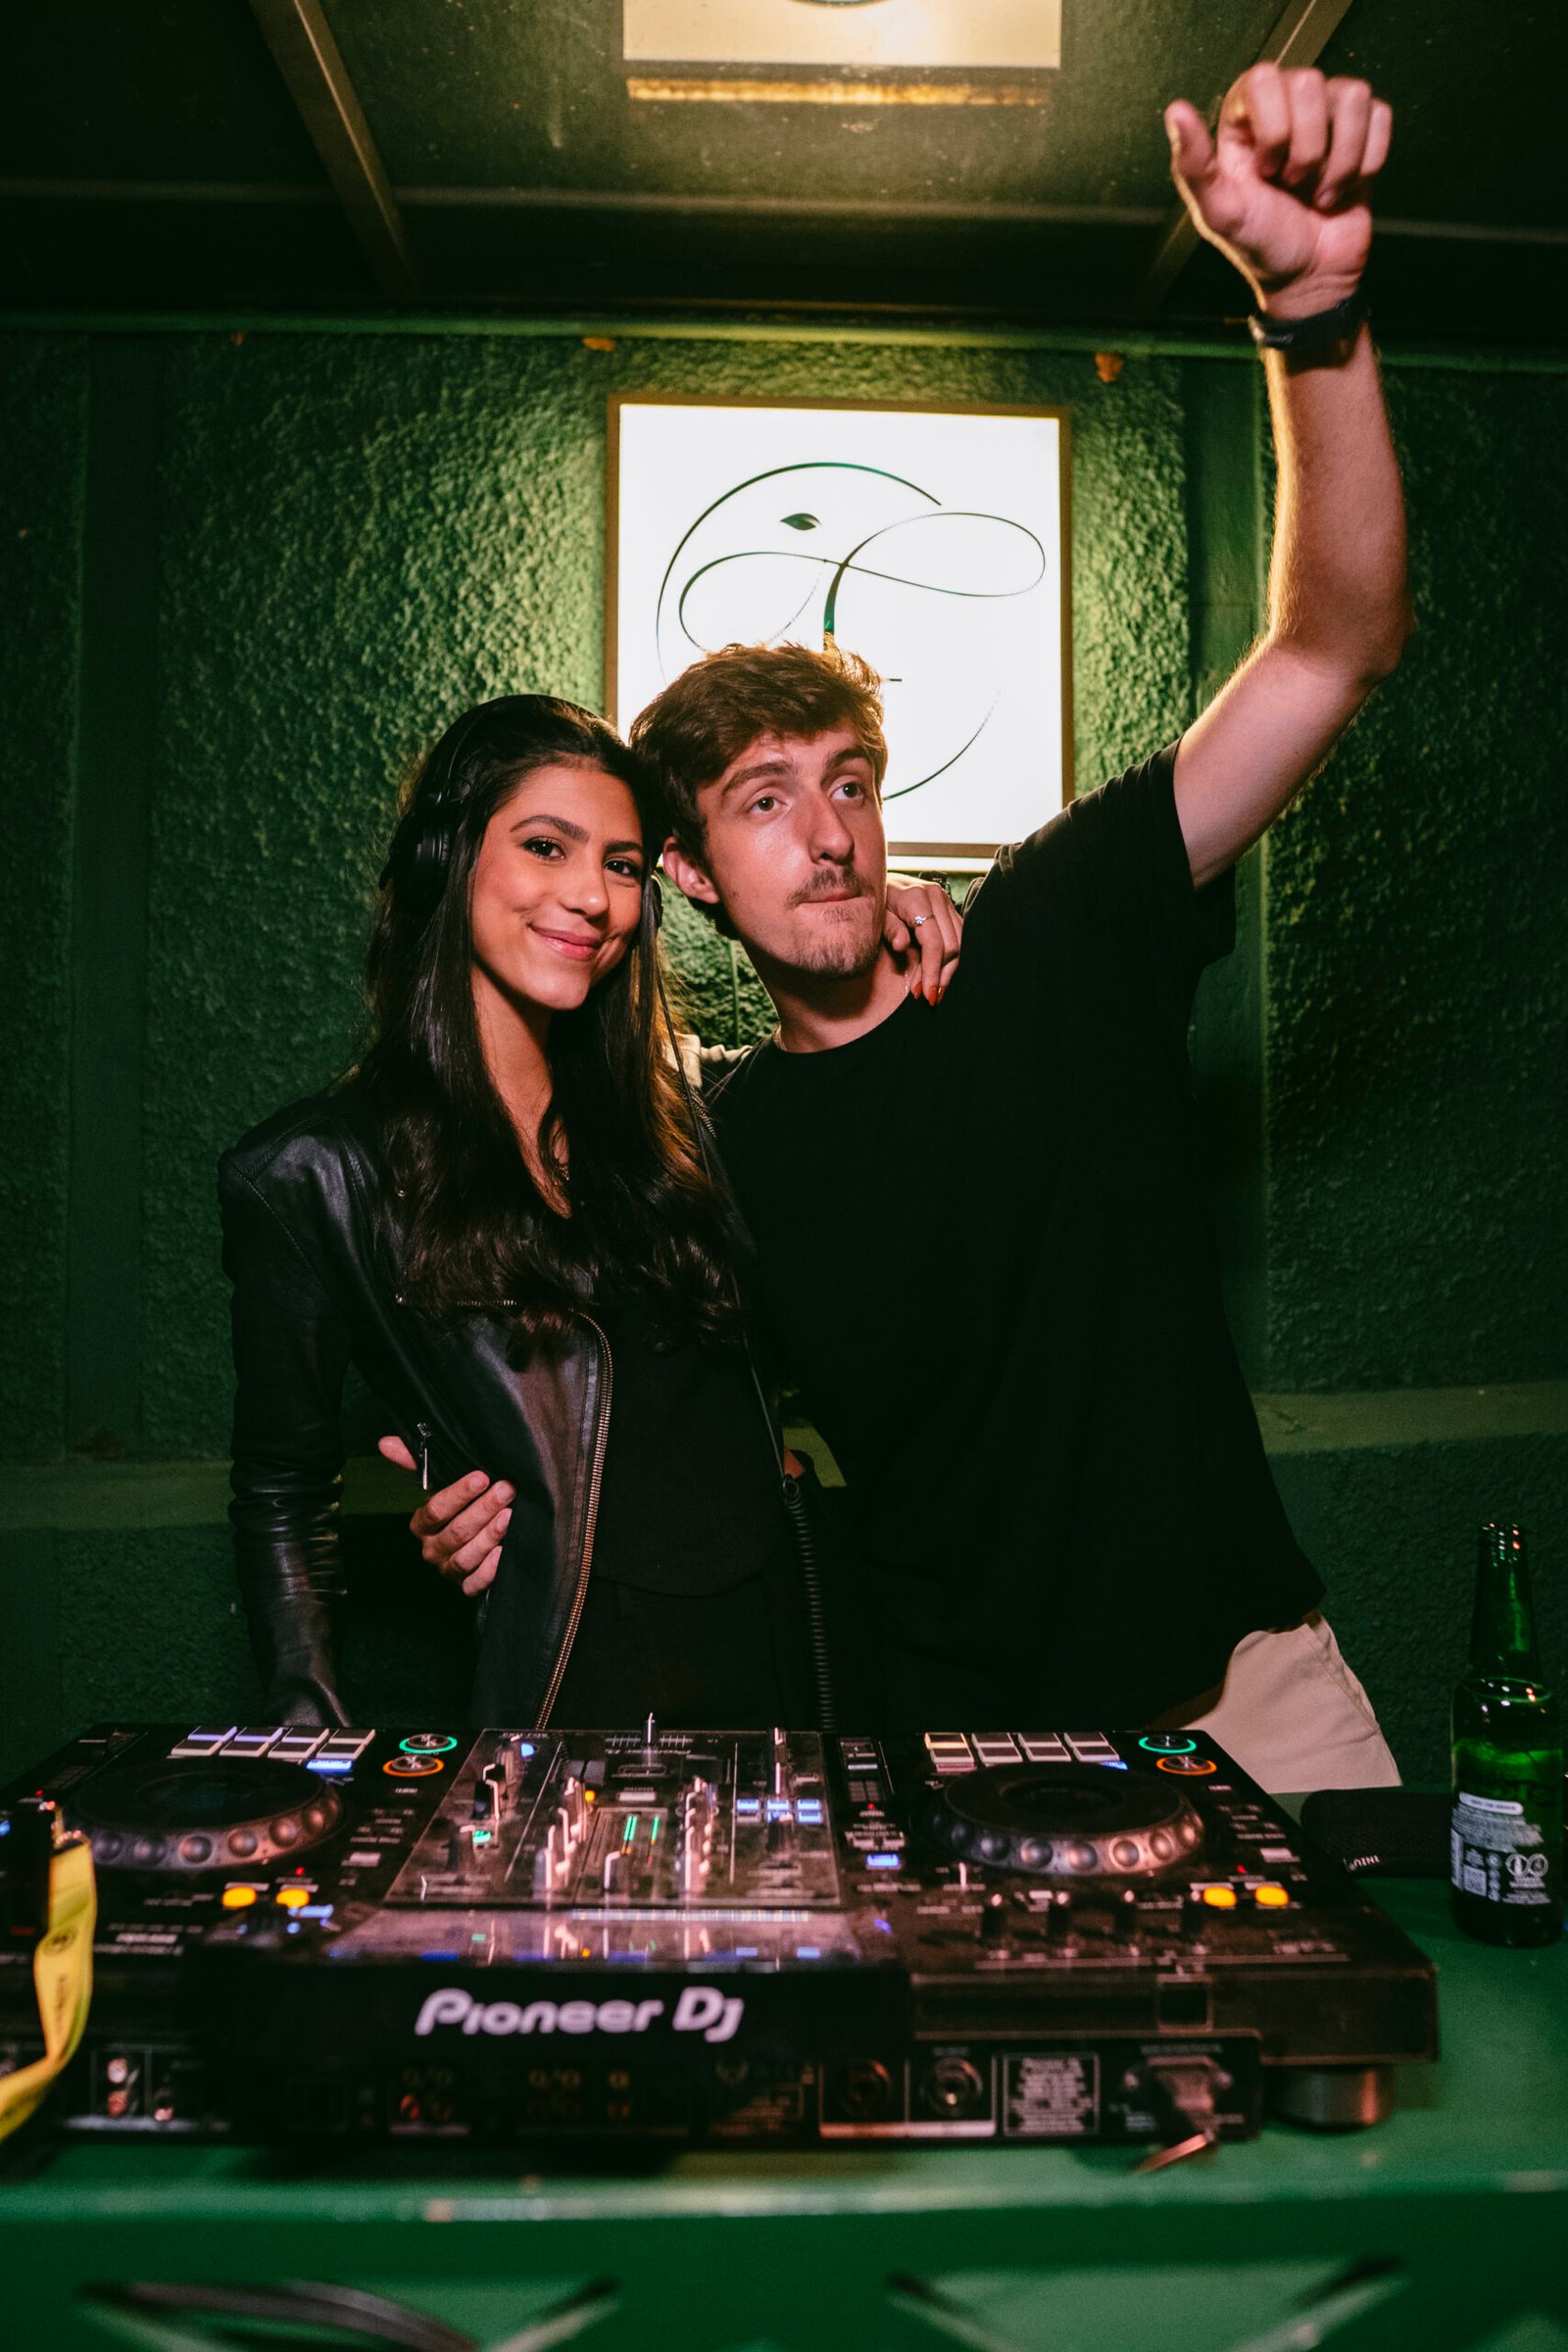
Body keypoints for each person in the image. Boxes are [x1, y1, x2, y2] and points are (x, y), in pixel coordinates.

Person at [415, 70, 1410, 1794]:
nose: (827, 832)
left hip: (1248, 1691)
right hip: (961, 1736)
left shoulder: (1054, 936)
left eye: (849, 782)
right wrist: (464, 1480)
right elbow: (536, 1321)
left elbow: (1334, 647)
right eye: (763, 800)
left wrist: (1309, 314)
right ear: (689, 877)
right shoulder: (714, 1147)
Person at [220, 694, 956, 1729]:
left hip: (804, 1652)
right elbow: (282, 1495)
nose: (591, 897)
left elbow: (847, 1083)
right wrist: (312, 1751)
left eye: (620, 865)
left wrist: (881, 917)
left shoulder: (691, 1113)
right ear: (446, 858)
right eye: (545, 846)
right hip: (582, 1687)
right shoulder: (311, 1174)